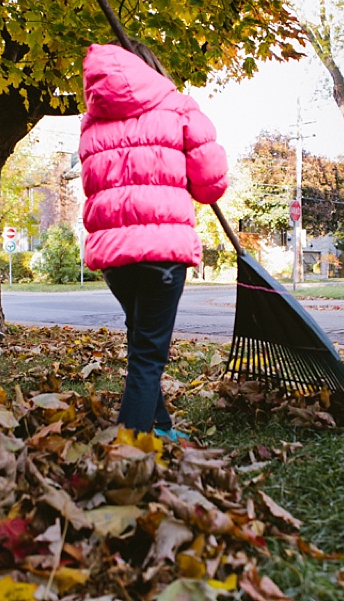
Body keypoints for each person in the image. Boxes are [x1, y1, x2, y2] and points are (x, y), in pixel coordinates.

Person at [78, 40, 229, 441]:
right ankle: (128, 450)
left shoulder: (92, 121)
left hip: (114, 257)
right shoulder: (178, 105)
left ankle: (159, 426)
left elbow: (94, 181)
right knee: (148, 354)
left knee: (140, 338)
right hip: (162, 251)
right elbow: (210, 184)